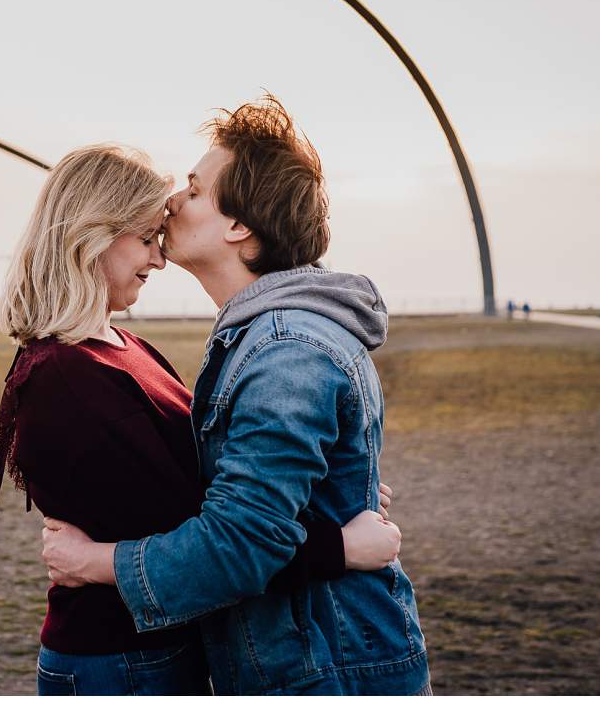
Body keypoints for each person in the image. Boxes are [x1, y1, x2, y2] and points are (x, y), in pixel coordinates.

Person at [40, 96, 431, 695]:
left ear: (239, 226)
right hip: (310, 659)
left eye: (194, 190)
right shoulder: (264, 337)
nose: (173, 201)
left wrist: (95, 562)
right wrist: (330, 508)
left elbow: (239, 543)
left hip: (324, 670)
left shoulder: (284, 350)